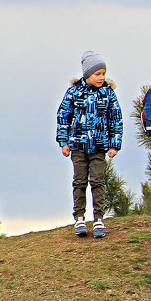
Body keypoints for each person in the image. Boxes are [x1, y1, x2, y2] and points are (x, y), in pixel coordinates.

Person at [56, 50, 123, 238]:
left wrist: (114, 145)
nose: (102, 77)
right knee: (79, 181)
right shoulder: (74, 92)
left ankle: (99, 218)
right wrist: (63, 141)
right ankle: (79, 217)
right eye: (97, 74)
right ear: (87, 75)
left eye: (103, 73)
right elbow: (63, 116)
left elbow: (116, 119)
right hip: (77, 146)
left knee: (97, 181)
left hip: (99, 147)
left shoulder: (108, 94)